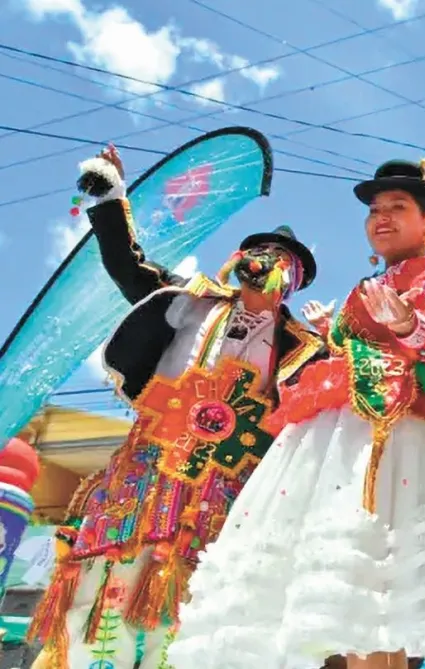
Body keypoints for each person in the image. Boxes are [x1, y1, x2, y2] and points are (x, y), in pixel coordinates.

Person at [167, 159, 425, 669]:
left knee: (379, 586)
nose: (382, 217)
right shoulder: (375, 282)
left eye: (398, 207)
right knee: (351, 598)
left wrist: (407, 325)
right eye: (375, 210)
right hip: (352, 435)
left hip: (402, 432)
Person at [27, 145, 321, 668]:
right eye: (260, 253)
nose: (267, 264)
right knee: (104, 581)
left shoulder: (302, 349)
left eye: (283, 262)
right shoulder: (192, 299)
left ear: (294, 281)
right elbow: (126, 264)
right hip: (147, 466)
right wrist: (113, 196)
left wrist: (335, 336)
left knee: (189, 602)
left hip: (223, 486)